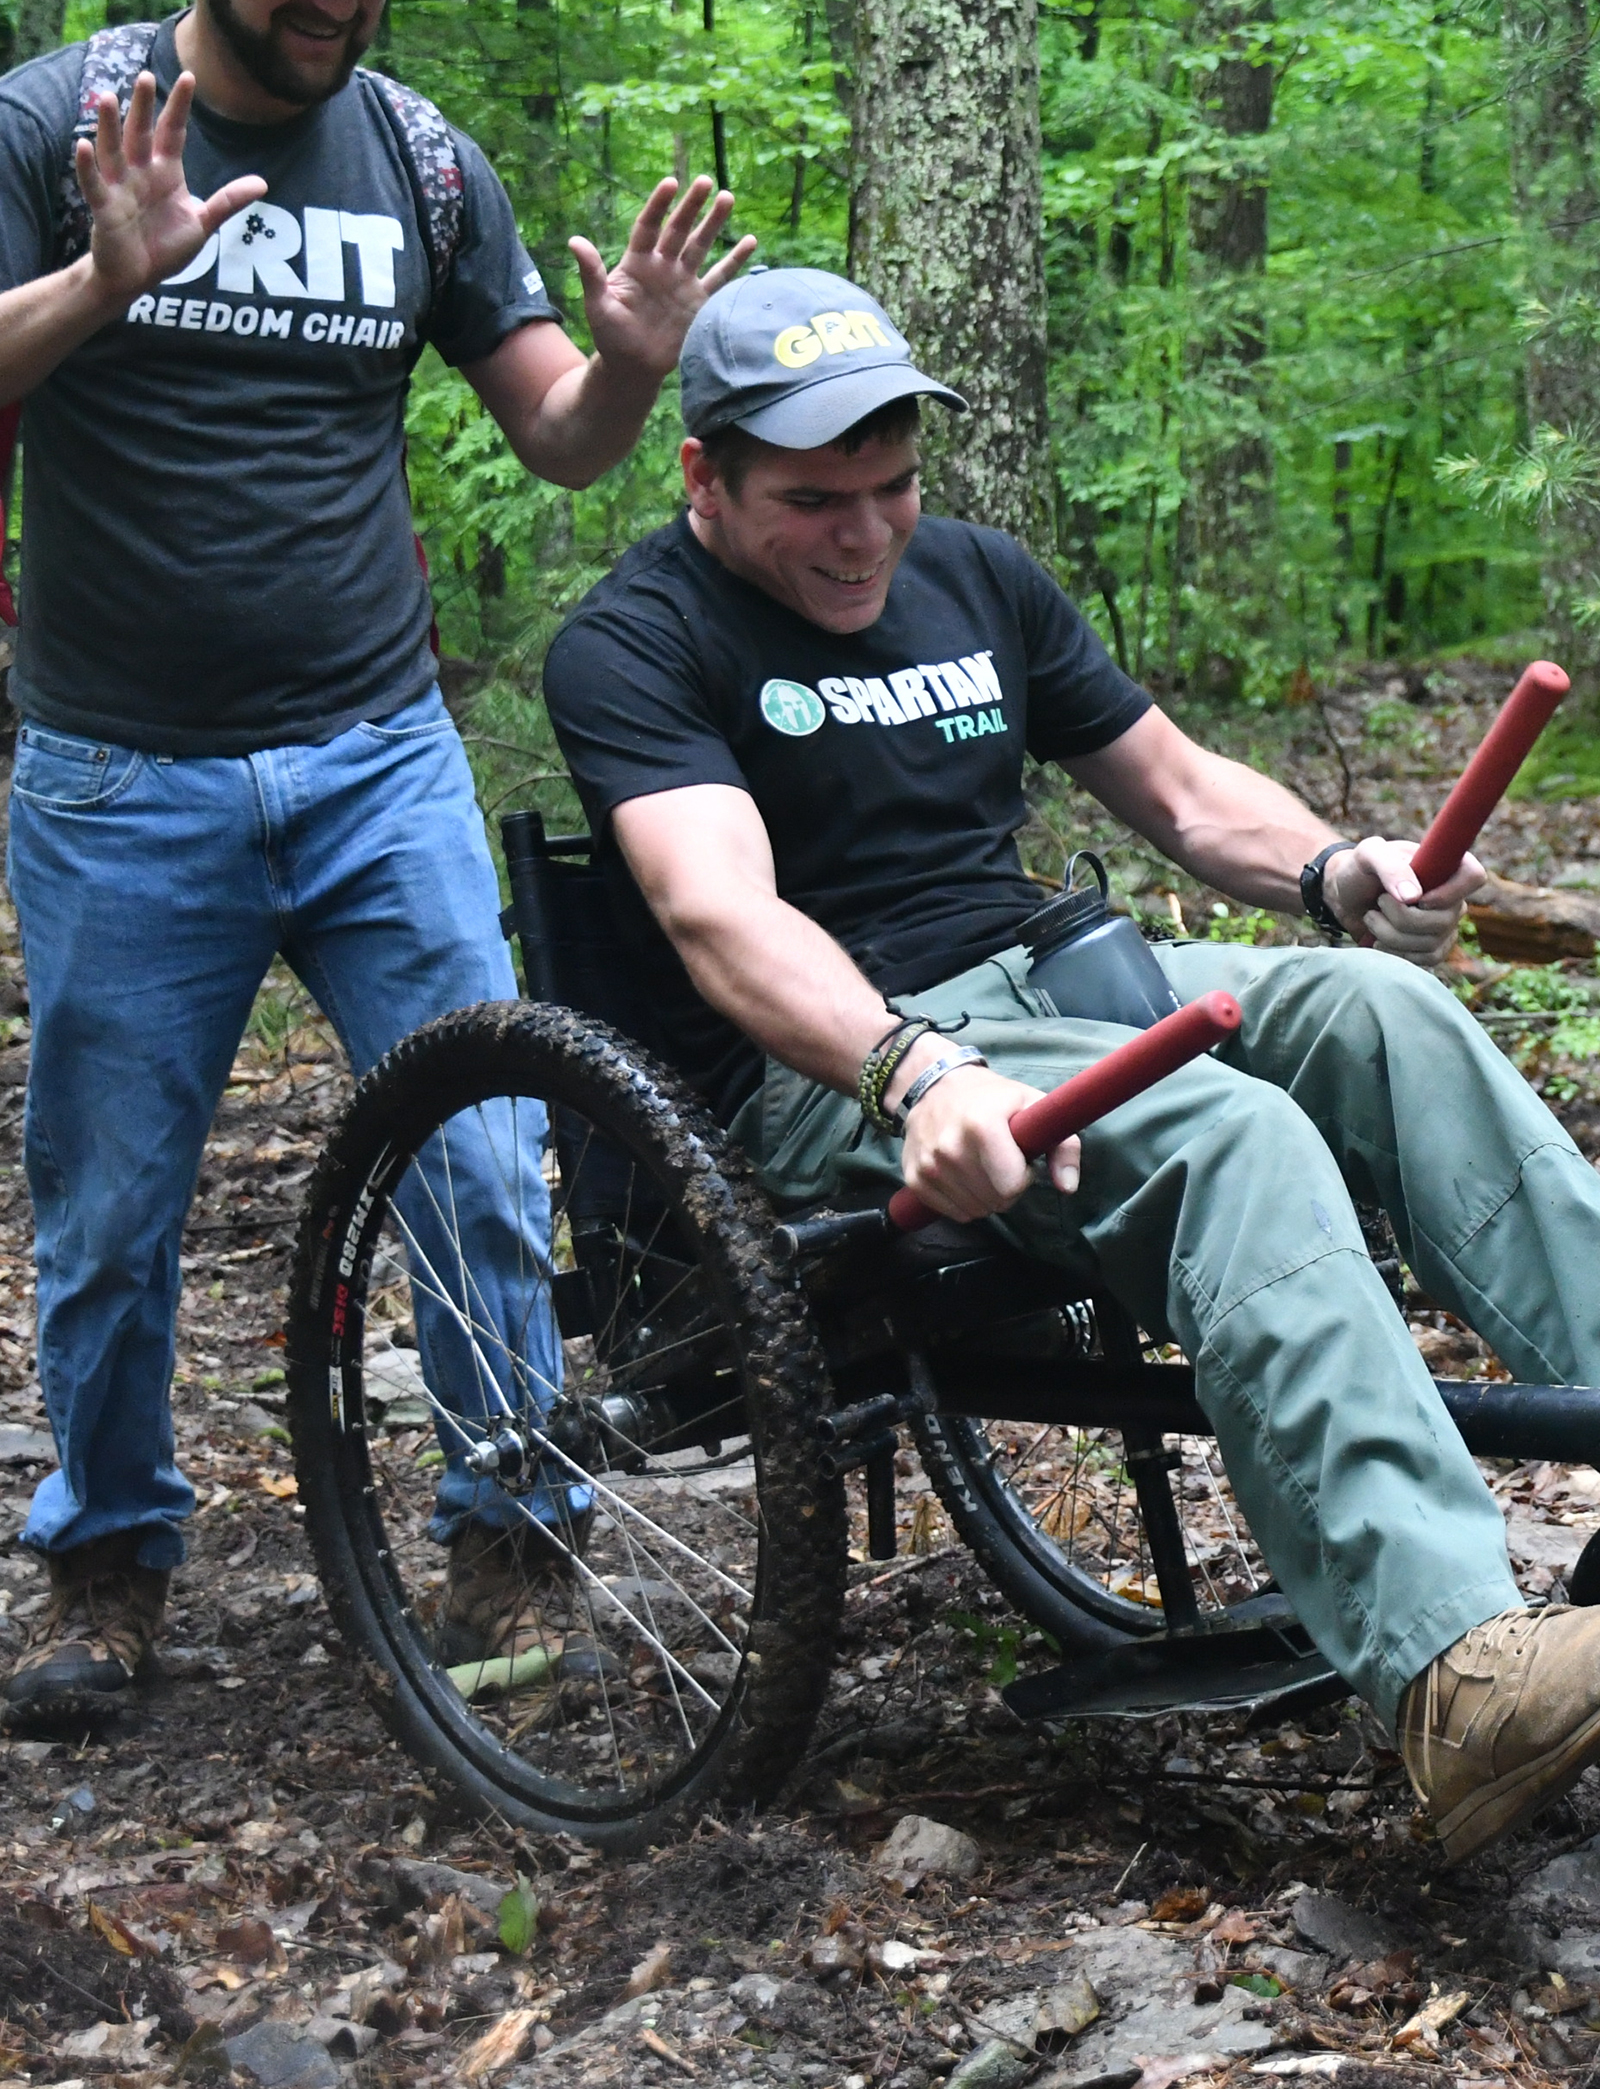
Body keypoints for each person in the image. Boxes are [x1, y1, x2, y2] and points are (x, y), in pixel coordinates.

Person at [544, 263, 1600, 1865]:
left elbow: (1177, 792)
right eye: (814, 501)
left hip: (1069, 975)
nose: (865, 535)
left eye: (893, 489)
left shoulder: (974, 577)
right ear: (702, 473)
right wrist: (914, 1077)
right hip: (837, 1059)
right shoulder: (637, 640)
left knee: (1393, 1015)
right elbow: (719, 916)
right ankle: (1452, 1673)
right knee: (1222, 1134)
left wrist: (1341, 871)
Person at [0, 0, 756, 1728]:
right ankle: (107, 1567)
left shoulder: (417, 160)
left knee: (488, 1156)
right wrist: (104, 277)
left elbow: (560, 439)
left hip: (373, 757)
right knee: (107, 1204)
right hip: (117, 775)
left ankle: (510, 1527)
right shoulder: (47, 128)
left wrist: (631, 365)